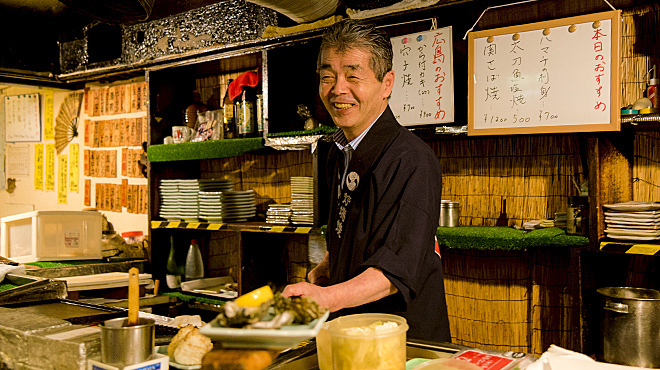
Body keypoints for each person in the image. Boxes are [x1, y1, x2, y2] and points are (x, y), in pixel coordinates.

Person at [282, 19, 451, 343]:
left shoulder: (412, 160)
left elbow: (396, 269)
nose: (337, 89)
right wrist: (329, 265)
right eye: (327, 77)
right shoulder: (336, 153)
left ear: (386, 84)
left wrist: (326, 299)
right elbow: (353, 231)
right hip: (352, 335)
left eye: (353, 76)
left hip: (404, 341)